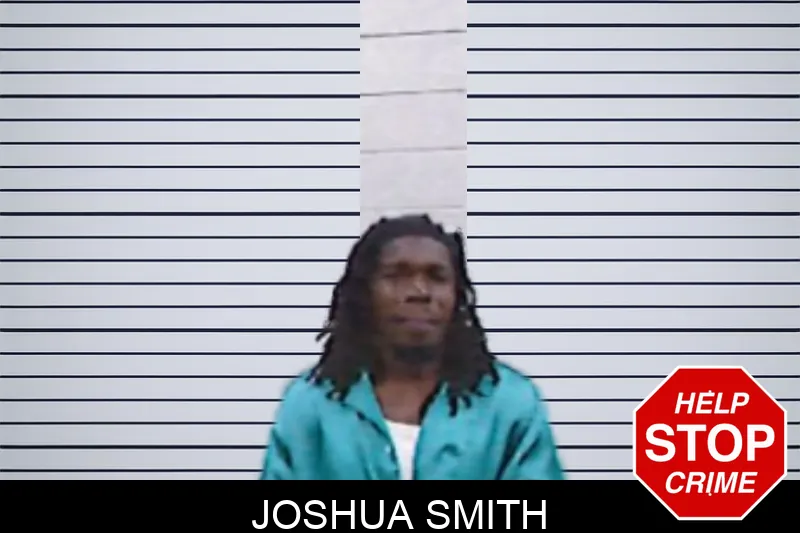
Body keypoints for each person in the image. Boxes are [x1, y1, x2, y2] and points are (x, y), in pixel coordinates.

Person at [260, 214, 564, 480]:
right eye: (396, 275)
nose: (419, 291)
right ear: (365, 292)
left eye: (437, 277)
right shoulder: (311, 404)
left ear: (457, 295)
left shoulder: (510, 404)